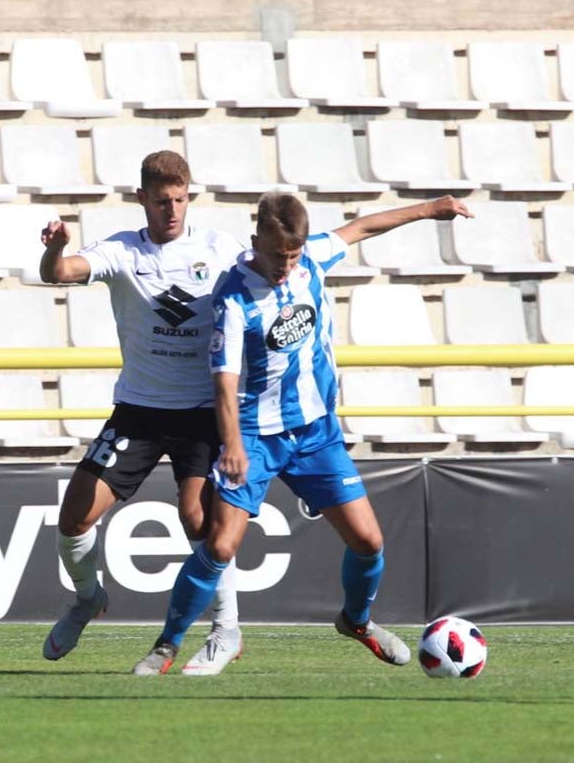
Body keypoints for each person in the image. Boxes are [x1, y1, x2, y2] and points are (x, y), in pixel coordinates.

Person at [131, 193, 474, 676]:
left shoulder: (310, 258)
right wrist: (231, 443)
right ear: (255, 244)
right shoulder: (233, 297)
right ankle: (167, 646)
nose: (285, 266)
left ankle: (356, 622)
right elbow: (224, 382)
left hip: (316, 434)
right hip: (254, 437)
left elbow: (363, 228)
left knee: (369, 542)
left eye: (291, 256)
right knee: (221, 545)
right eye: (276, 256)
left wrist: (429, 209)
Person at [39, 150, 246, 676]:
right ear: (142, 200)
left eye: (179, 199)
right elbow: (60, 272)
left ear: (188, 196)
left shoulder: (220, 249)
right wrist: (56, 250)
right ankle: (87, 600)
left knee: (198, 517)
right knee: (73, 517)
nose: (172, 210)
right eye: (161, 201)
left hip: (201, 412)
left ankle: (227, 628)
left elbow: (265, 281)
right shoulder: (122, 251)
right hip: (138, 411)